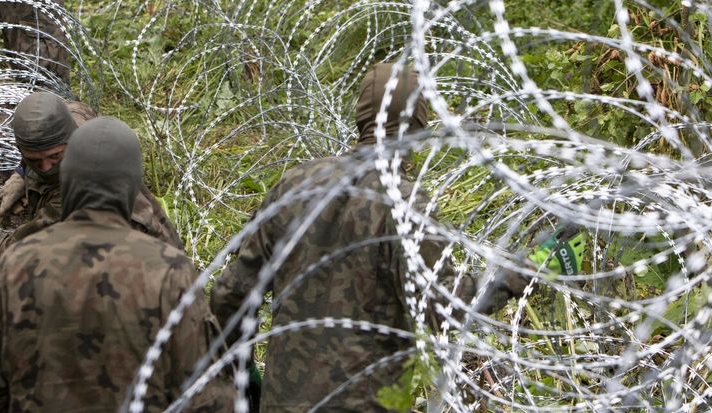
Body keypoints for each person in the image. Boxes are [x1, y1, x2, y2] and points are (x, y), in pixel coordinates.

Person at [210, 63, 525, 411]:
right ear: (417, 125)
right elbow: (443, 307)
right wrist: (516, 274)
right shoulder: (404, 203)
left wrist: (240, 372)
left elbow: (232, 295)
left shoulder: (296, 184)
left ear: (360, 116)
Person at [0, 116, 234, 412]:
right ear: (132, 186)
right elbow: (209, 398)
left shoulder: (17, 261)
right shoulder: (169, 270)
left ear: (68, 180)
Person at [0, 89, 182, 276]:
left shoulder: (81, 191)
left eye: (55, 157)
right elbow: (71, 112)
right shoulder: (73, 118)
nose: (47, 167)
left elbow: (24, 260)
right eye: (34, 158)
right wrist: (23, 172)